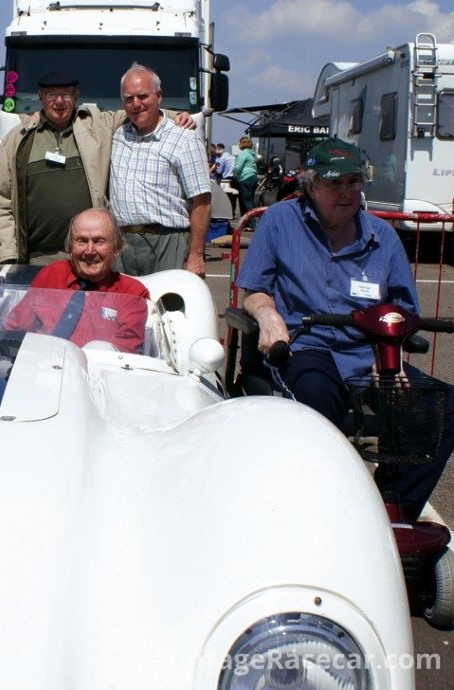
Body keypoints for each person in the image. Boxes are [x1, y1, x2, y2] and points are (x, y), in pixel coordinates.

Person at [235, 137, 453, 520]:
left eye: (354, 182)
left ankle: (389, 507)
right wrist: (268, 316)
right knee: (318, 393)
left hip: (366, 352)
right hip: (305, 346)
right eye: (334, 183)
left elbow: (403, 309)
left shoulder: (381, 237)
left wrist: (390, 350)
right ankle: (320, 508)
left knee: (443, 405)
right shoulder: (279, 222)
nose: (346, 192)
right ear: (311, 184)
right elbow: (254, 289)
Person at [0, 70, 194, 265]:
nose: (59, 102)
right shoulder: (18, 138)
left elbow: (136, 111)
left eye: (66, 95)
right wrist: (8, 256)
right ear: (40, 97)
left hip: (91, 257)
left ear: (76, 96)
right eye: (51, 95)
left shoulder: (97, 125)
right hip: (37, 258)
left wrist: (177, 117)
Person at [109, 63, 211, 278]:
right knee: (122, 309)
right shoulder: (116, 136)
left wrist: (195, 254)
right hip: (122, 245)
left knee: (168, 309)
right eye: (129, 99)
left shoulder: (184, 137)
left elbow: (201, 202)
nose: (136, 104)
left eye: (143, 96)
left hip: (168, 242)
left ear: (159, 96)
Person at [6, 208, 150, 351]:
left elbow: (123, 355)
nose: (89, 251)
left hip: (94, 371)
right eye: (81, 241)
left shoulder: (132, 294)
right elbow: (16, 327)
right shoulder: (52, 274)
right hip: (42, 365)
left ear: (117, 248)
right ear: (69, 247)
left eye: (99, 241)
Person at [232, 135, 258, 216]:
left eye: (239, 143)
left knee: (246, 202)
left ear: (243, 144)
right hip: (253, 177)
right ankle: (247, 222)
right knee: (250, 201)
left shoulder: (243, 154)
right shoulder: (252, 154)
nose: (238, 145)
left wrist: (233, 171)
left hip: (245, 178)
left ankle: (252, 224)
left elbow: (238, 168)